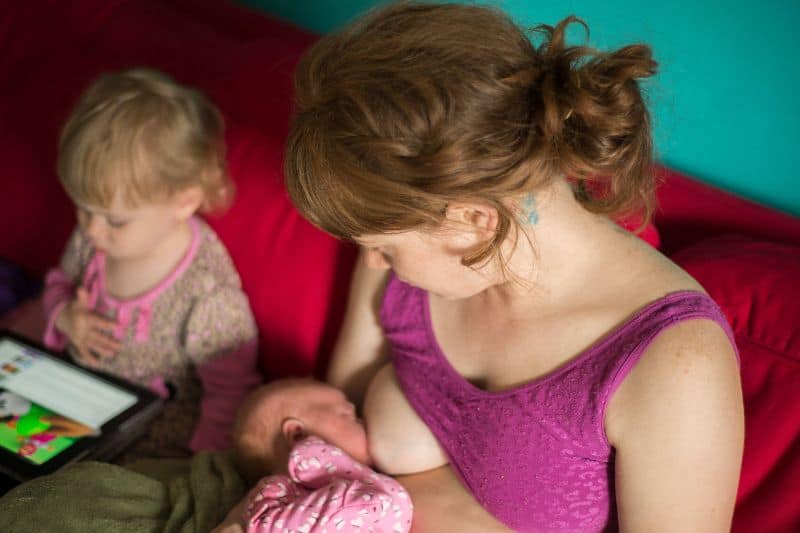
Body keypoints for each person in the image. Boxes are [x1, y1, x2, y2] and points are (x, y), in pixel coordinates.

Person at [283, 2, 744, 532]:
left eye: (384, 248)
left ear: (476, 220)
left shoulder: (673, 360)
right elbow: (341, 443)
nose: (372, 261)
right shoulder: (407, 248)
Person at [41, 68, 261, 458]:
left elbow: (229, 397)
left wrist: (198, 465)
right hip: (73, 402)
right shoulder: (95, 239)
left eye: (115, 219)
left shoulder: (207, 294)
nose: (91, 228)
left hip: (153, 440)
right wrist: (64, 317)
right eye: (82, 208)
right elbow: (59, 283)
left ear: (184, 201)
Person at [213, 378, 413, 533]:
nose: (360, 417)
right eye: (348, 416)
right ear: (298, 434)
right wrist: (377, 499)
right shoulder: (277, 496)